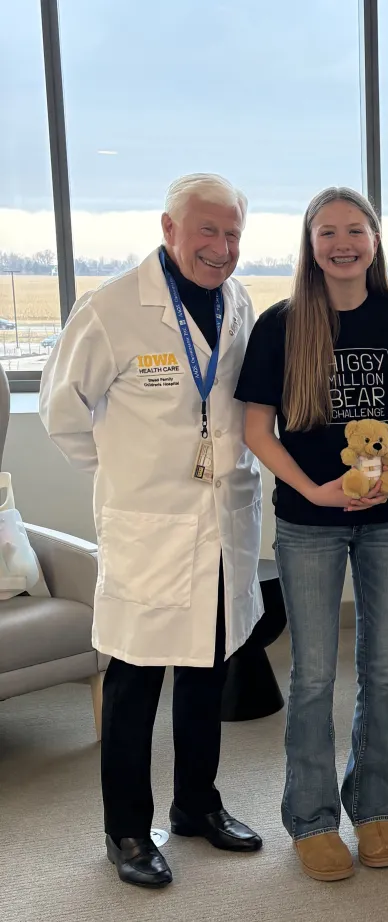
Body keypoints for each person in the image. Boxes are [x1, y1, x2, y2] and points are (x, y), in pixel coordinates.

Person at [39, 173, 265, 889]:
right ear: (169, 229)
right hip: (150, 530)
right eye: (207, 231)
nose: (221, 248)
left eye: (232, 234)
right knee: (135, 683)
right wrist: (126, 477)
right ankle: (127, 832)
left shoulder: (238, 302)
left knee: (208, 670)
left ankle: (197, 804)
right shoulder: (110, 310)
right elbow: (61, 413)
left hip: (223, 522)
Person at [235, 186, 388, 882]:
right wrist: (311, 489)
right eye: (327, 232)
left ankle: (373, 808)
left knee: (382, 670)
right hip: (309, 524)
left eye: (355, 230)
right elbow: (255, 429)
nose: (342, 243)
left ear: (374, 241)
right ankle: (311, 819)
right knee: (311, 676)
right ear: (310, 246)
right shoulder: (280, 325)